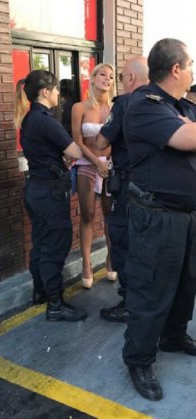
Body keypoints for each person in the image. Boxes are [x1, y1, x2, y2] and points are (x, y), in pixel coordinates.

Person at [121, 38, 196, 401]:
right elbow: (186, 139)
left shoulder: (182, 106)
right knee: (151, 290)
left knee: (185, 284)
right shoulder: (144, 105)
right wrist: (189, 130)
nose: (193, 71)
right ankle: (138, 360)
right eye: (191, 65)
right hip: (157, 217)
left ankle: (174, 336)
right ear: (176, 69)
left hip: (186, 216)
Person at [14, 70, 84, 320]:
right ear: (45, 91)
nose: (58, 95)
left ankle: (41, 292)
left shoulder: (30, 118)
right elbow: (75, 152)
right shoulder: (45, 120)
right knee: (55, 245)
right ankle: (55, 304)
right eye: (56, 90)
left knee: (41, 243)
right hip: (50, 193)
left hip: (36, 189)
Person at [95, 56, 149, 323]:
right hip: (154, 188)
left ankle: (130, 303)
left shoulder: (125, 103)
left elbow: (100, 141)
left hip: (128, 187)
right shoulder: (165, 102)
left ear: (130, 78)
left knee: (123, 241)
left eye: (120, 77)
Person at [70, 63, 116, 288]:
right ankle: (86, 264)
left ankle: (110, 259)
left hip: (110, 167)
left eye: (111, 76)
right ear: (94, 78)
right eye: (103, 74)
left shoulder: (115, 108)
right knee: (87, 215)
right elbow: (77, 141)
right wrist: (96, 162)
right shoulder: (79, 107)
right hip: (87, 164)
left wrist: (108, 163)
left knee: (110, 215)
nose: (107, 79)